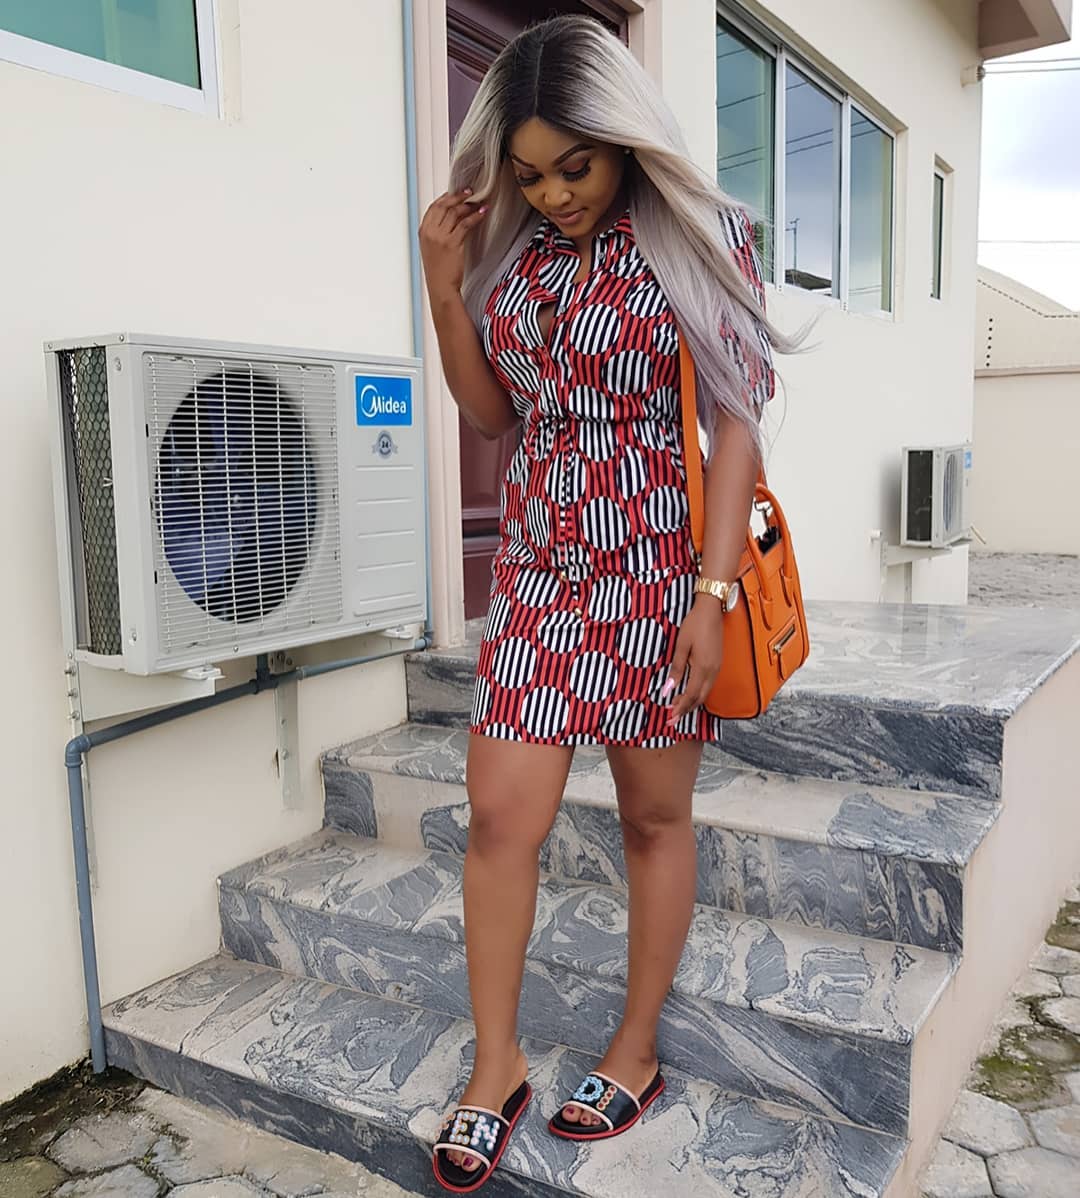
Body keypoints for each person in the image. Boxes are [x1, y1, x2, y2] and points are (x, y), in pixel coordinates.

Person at [419, 15, 799, 1192]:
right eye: (531, 173)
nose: (555, 193)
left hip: (657, 571)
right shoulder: (520, 252)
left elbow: (735, 417)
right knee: (500, 819)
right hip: (537, 574)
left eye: (574, 166)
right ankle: (497, 1066)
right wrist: (444, 286)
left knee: (651, 819)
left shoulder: (700, 235)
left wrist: (712, 591)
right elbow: (494, 415)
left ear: (624, 138)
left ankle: (635, 1050)